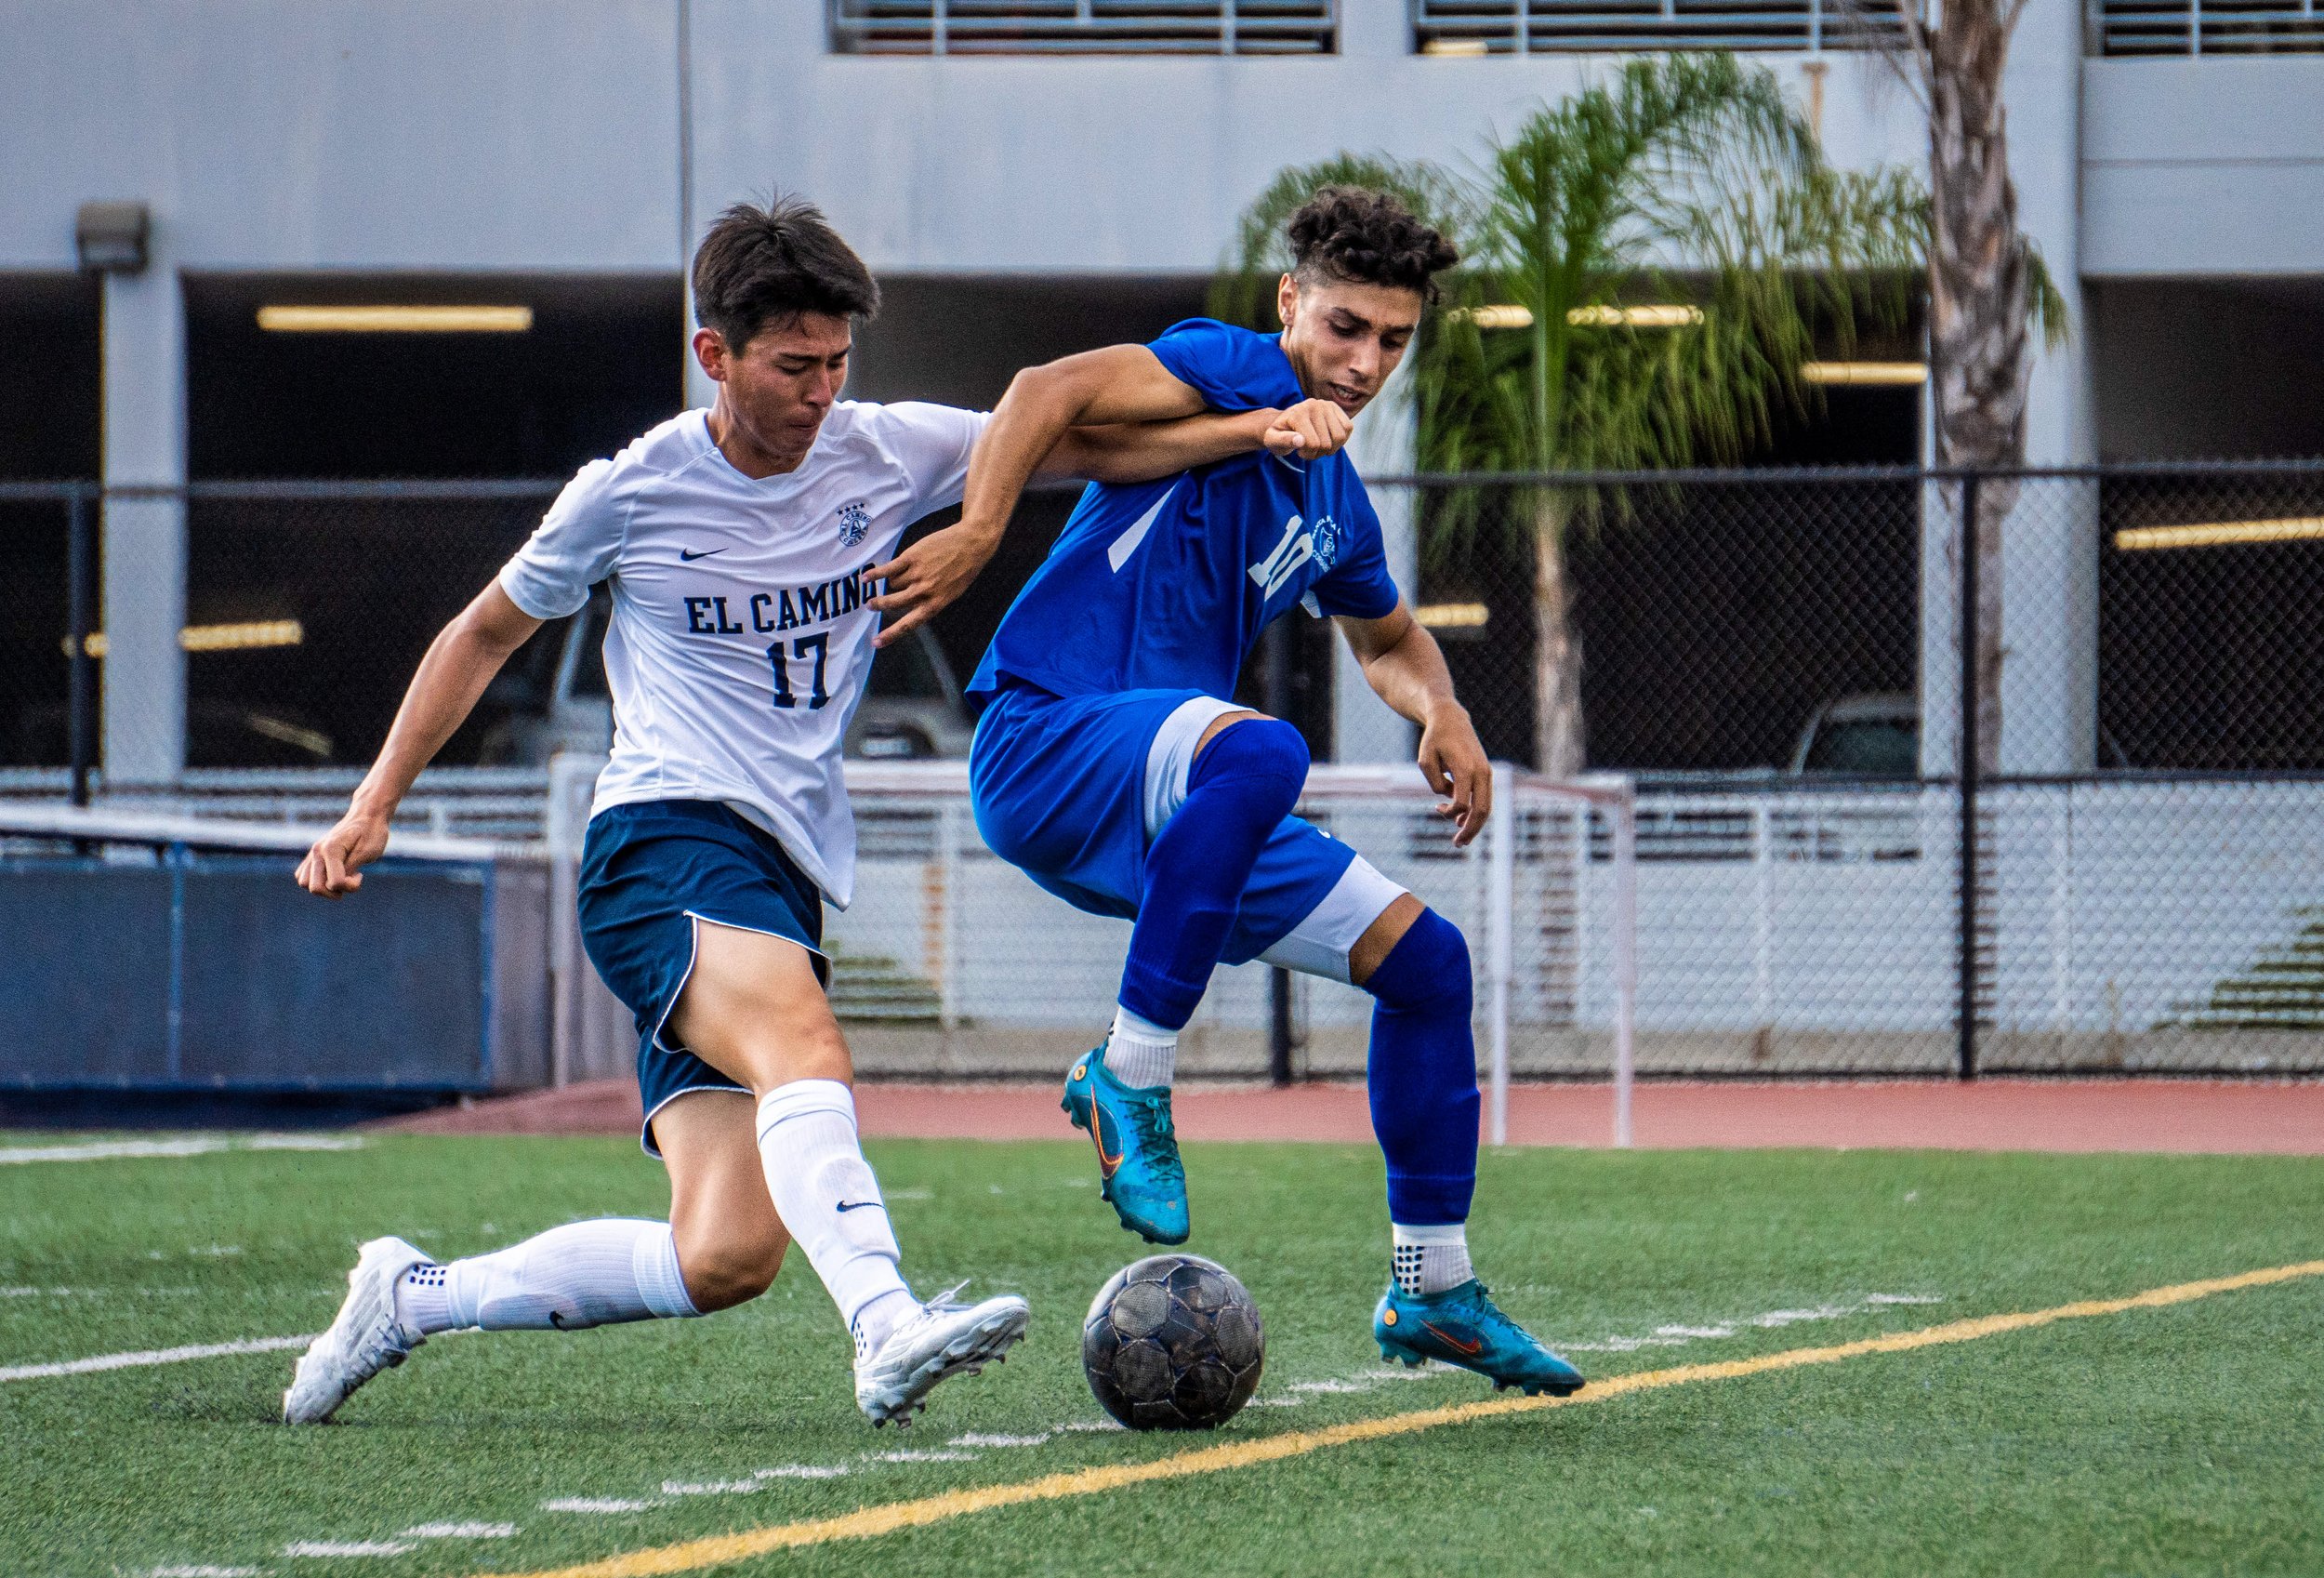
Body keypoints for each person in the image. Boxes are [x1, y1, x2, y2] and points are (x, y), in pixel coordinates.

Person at [281, 195, 1347, 1428]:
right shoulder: (629, 491)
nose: (821, 392)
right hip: (663, 842)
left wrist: (1261, 429)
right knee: (805, 1047)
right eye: (795, 365)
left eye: (839, 363)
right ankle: (886, 1324)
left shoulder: (882, 449)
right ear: (713, 357)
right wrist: (372, 806)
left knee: (721, 1254)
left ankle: (409, 1295)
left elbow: (1086, 445)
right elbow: (481, 633)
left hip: (777, 872)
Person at [908, 186, 1586, 1398]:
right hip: (1049, 737)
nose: (1366, 360)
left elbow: (1384, 638)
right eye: (1343, 328)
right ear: (1290, 305)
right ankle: (1131, 1072)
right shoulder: (1225, 368)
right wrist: (974, 532)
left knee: (1429, 964)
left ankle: (1431, 1285)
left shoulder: (1331, 495)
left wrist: (1443, 705)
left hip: (1177, 795)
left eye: (1393, 338)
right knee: (1263, 752)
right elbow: (1038, 396)